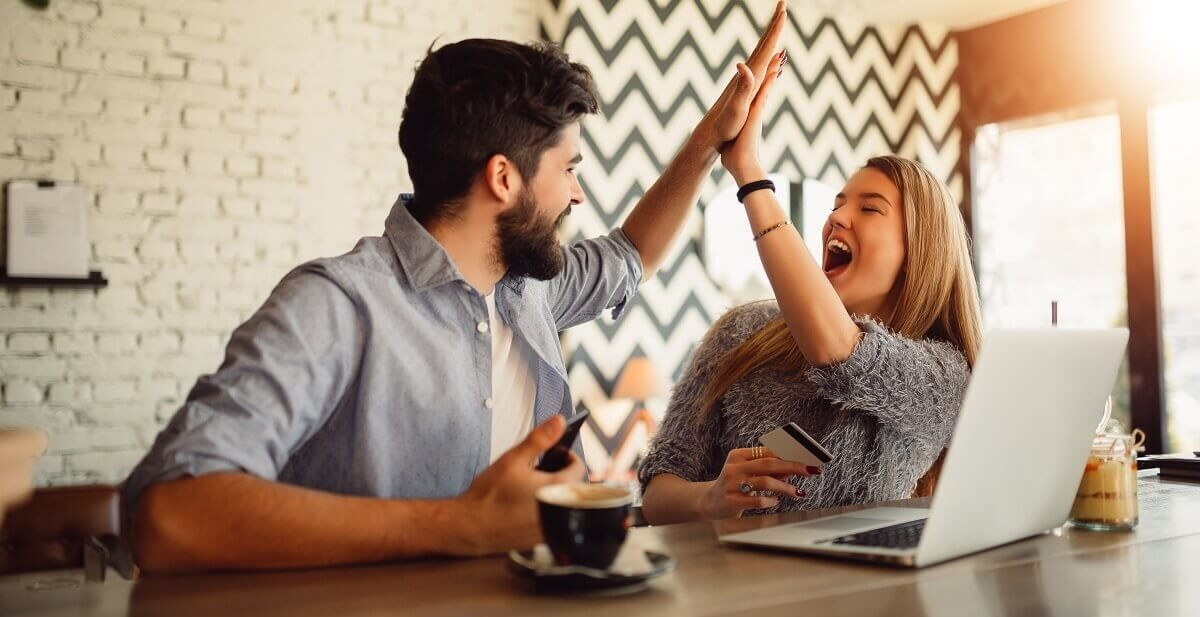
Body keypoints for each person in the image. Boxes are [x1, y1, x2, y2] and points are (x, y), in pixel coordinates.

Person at [123, 4, 790, 572]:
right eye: (569, 167)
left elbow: (631, 252)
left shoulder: (529, 290)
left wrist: (713, 140)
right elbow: (166, 514)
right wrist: (460, 524)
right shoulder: (336, 305)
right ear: (504, 178)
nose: (578, 192)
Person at [638, 50, 984, 525]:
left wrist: (749, 173)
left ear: (919, 251)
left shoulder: (944, 372)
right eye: (838, 203)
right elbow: (658, 494)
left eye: (869, 208)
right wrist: (708, 498)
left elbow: (841, 352)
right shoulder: (741, 332)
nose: (836, 217)